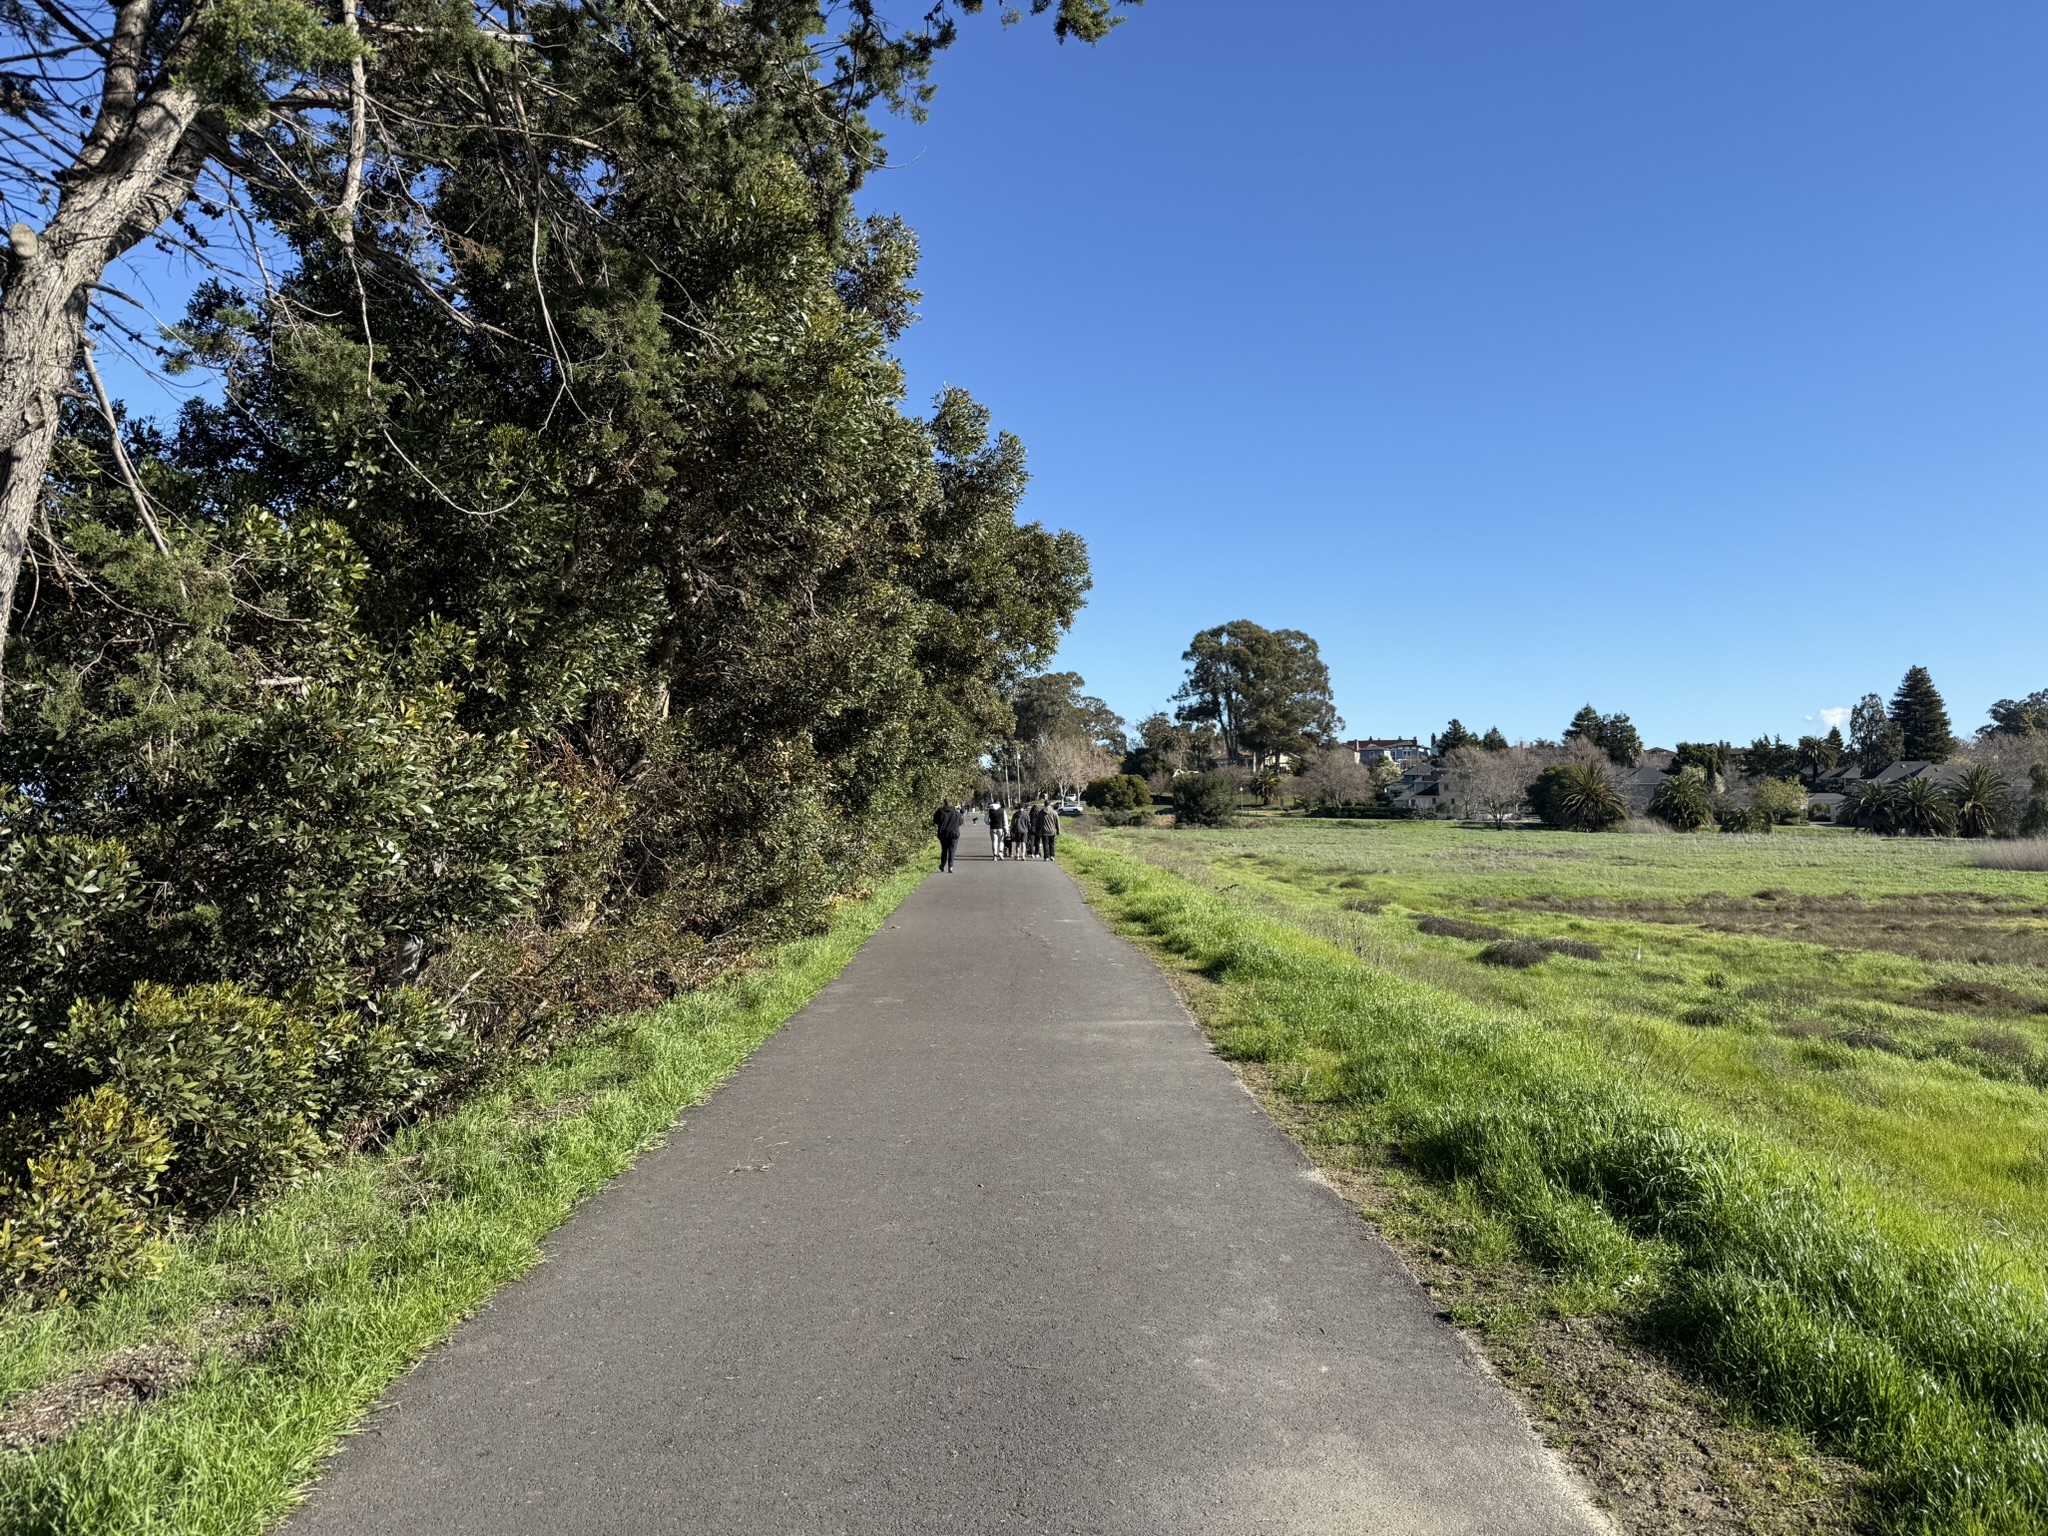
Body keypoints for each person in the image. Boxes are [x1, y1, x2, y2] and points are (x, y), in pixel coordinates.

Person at [933, 801, 964, 873]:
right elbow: (960, 822)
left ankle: (942, 865)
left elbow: (935, 821)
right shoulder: (956, 812)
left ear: (944, 803)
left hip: (943, 833)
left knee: (944, 849)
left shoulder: (940, 811)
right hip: (954, 833)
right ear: (952, 804)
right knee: (952, 850)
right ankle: (951, 866)